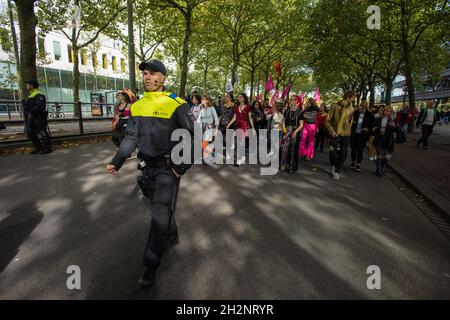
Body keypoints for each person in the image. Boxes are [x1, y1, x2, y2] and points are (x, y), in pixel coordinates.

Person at [106, 60, 195, 287]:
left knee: (158, 217)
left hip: (168, 170)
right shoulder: (137, 106)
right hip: (146, 169)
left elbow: (193, 137)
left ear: (163, 78)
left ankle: (150, 266)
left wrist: (179, 167)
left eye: (153, 73)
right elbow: (130, 138)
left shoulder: (177, 104)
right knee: (161, 210)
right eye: (145, 73)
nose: (147, 77)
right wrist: (117, 161)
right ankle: (172, 235)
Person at [324, 90, 356, 180]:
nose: (353, 100)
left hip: (346, 134)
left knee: (343, 154)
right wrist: (332, 131)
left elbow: (350, 122)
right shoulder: (335, 106)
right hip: (334, 133)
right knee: (333, 153)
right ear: (348, 97)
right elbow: (327, 121)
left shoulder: (351, 109)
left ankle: (337, 171)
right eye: (353, 98)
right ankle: (333, 165)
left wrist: (348, 126)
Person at [23, 80, 52, 154]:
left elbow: (40, 107)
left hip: (39, 116)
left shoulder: (39, 95)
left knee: (42, 132)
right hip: (32, 116)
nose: (26, 86)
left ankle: (47, 148)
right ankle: (38, 147)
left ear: (32, 86)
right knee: (30, 132)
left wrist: (30, 110)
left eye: (28, 84)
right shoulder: (31, 95)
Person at [226, 93, 255, 166]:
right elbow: (234, 117)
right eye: (238, 97)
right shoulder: (236, 107)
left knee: (241, 143)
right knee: (235, 142)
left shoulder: (248, 107)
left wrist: (253, 128)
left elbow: (250, 118)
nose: (239, 98)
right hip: (237, 125)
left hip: (244, 126)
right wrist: (229, 124)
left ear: (244, 98)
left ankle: (239, 159)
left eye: (241, 97)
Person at [372, 106, 397, 177]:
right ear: (383, 111)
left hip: (387, 141)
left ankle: (380, 167)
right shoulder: (378, 119)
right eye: (387, 111)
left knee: (387, 157)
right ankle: (379, 170)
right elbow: (373, 130)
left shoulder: (392, 121)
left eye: (390, 111)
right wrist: (375, 128)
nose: (388, 112)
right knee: (379, 155)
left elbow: (395, 131)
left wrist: (394, 126)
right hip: (379, 139)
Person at [350, 100, 374, 172]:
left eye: (363, 108)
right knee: (353, 149)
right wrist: (352, 122)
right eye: (361, 107)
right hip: (354, 133)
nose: (361, 109)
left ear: (366, 108)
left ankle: (358, 164)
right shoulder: (355, 113)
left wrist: (368, 129)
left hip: (363, 135)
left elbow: (372, 125)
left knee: (360, 150)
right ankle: (353, 162)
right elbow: (350, 121)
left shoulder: (370, 115)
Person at [280, 95, 302, 173]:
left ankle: (291, 166)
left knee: (293, 149)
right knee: (285, 148)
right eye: (291, 99)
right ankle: (283, 164)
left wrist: (295, 132)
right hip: (287, 130)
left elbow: (301, 125)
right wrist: (284, 130)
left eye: (294, 99)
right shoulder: (286, 111)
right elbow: (283, 122)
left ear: (297, 101)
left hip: (295, 131)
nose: (292, 101)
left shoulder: (300, 111)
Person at [197, 95, 219, 163]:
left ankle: (206, 157)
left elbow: (216, 118)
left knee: (205, 143)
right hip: (202, 128)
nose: (202, 100)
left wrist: (216, 129)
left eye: (203, 99)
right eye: (201, 99)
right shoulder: (202, 110)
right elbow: (198, 120)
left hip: (209, 127)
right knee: (205, 143)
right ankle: (211, 154)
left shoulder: (212, 108)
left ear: (207, 100)